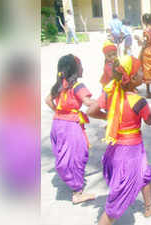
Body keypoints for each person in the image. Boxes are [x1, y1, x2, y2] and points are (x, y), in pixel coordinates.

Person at [87, 55, 151, 225]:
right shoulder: (138, 101)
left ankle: (148, 207)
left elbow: (91, 111)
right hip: (130, 153)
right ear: (131, 78)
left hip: (116, 148)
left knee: (145, 173)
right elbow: (150, 121)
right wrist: (146, 111)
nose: (141, 72)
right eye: (139, 71)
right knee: (117, 202)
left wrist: (108, 116)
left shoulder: (110, 94)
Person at [45, 54, 95, 204]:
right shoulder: (78, 86)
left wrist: (59, 112)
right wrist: (103, 104)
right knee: (77, 155)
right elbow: (87, 103)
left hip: (57, 123)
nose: (83, 68)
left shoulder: (60, 85)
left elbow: (47, 100)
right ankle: (77, 192)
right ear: (75, 70)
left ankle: (72, 182)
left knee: (65, 154)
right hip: (70, 127)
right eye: (80, 66)